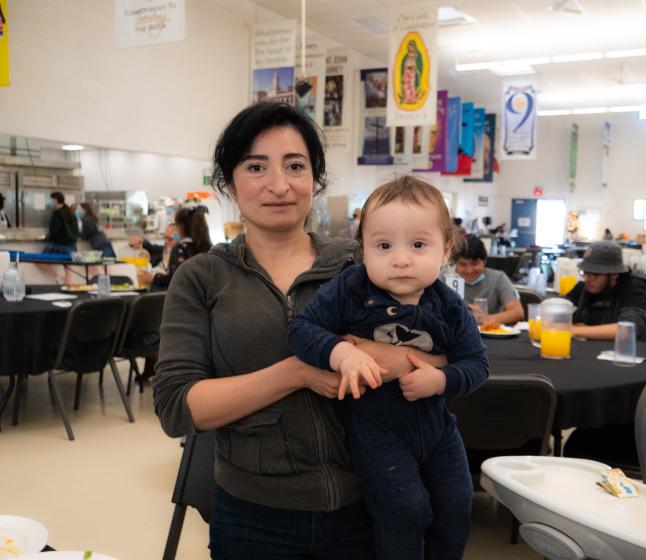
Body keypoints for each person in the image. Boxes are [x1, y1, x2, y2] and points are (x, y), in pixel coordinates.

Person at [154, 102, 437, 559]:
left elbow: (437, 348)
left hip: (371, 499)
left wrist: (368, 358)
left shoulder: (361, 263)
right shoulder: (202, 277)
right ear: (229, 182)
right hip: (252, 514)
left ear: (315, 179)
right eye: (256, 166)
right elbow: (179, 407)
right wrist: (297, 372)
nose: (279, 184)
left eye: (295, 165)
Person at [288, 176, 489, 560]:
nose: (400, 259)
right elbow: (300, 329)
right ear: (362, 248)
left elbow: (478, 365)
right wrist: (341, 354)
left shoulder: (448, 306)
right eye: (383, 245)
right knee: (406, 510)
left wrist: (441, 380)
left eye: (418, 244)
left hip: (438, 430)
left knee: (456, 504)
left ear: (446, 249)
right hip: (375, 431)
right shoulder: (350, 289)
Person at [564, 241, 646, 343]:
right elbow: (558, 309)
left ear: (614, 274)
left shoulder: (635, 290)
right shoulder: (583, 287)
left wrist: (577, 331)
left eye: (595, 274)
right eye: (585, 272)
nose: (587, 279)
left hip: (628, 354)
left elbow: (629, 329)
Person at [453, 234, 524, 325]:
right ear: (455, 264)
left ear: (485, 261)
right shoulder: (445, 279)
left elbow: (517, 312)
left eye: (474, 264)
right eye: (463, 264)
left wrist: (486, 319)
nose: (469, 270)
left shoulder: (498, 278)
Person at [137, 206, 211, 290]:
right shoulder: (205, 247)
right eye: (165, 238)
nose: (166, 242)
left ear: (181, 227)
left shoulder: (180, 249)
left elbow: (174, 280)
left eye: (170, 239)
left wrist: (154, 278)